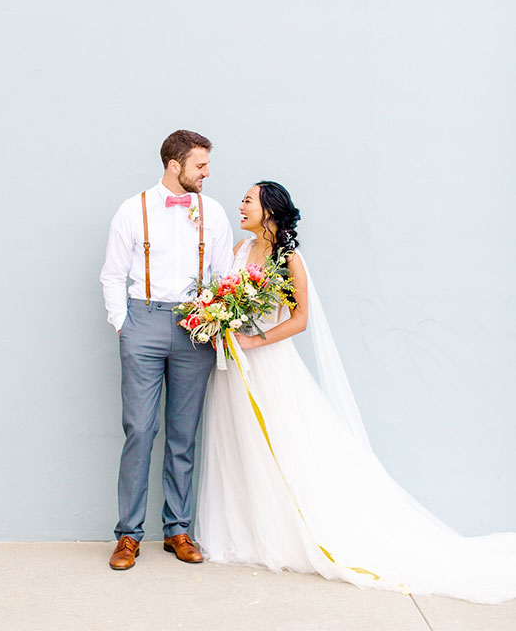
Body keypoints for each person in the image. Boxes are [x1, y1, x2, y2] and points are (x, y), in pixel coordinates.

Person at [195, 181, 516, 603]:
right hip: (231, 366)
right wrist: (218, 321)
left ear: (269, 210)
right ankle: (247, 534)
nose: (241, 205)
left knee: (284, 447)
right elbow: (224, 295)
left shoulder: (287, 260)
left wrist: (255, 341)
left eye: (248, 200)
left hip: (268, 365)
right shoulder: (239, 251)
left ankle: (295, 533)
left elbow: (300, 320)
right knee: (238, 445)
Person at [100, 129, 233, 570]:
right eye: (200, 165)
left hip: (195, 327)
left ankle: (177, 529)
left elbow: (223, 272)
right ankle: (128, 536)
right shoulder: (131, 210)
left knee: (183, 433)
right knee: (139, 429)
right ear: (174, 166)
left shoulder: (211, 212)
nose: (207, 173)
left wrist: (214, 318)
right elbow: (112, 275)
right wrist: (124, 325)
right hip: (144, 321)